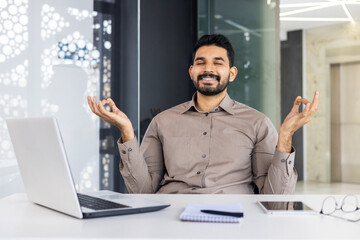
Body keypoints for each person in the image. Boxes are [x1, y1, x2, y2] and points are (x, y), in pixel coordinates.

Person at [87, 34, 319, 194]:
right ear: (192, 71)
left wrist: (286, 136)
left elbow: (275, 200)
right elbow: (143, 191)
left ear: (232, 73)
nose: (208, 69)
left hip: (234, 221)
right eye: (201, 62)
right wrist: (126, 132)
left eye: (218, 63)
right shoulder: (163, 122)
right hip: (170, 219)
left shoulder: (257, 123)